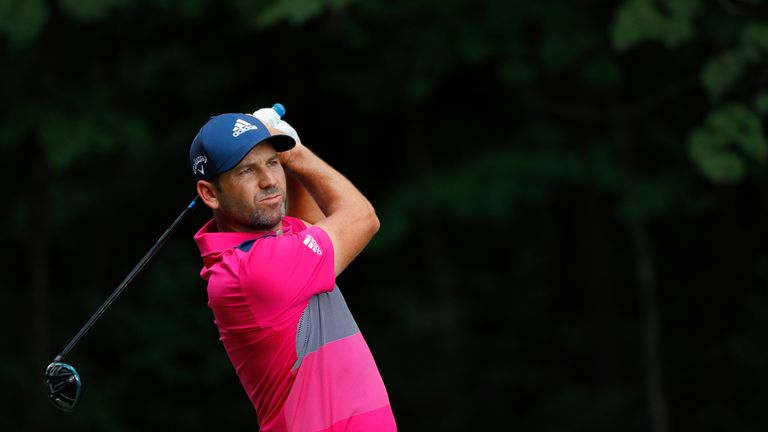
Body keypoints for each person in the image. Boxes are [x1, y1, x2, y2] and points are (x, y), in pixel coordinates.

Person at [188, 107, 397, 432]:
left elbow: (314, 226)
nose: (269, 180)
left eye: (273, 162)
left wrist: (289, 161)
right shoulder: (253, 270)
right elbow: (362, 219)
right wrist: (296, 154)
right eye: (246, 171)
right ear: (210, 194)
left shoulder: (264, 245)